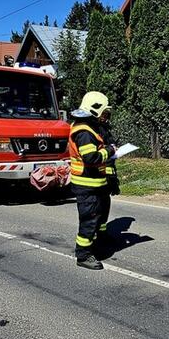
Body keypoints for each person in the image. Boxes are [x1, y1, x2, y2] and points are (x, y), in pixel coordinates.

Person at [68, 91, 117, 270]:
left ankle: (94, 245)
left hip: (95, 184)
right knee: (89, 219)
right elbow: (91, 158)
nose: (106, 117)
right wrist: (110, 151)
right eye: (104, 112)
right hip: (86, 186)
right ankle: (83, 255)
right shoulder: (84, 132)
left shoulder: (89, 128)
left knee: (98, 216)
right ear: (95, 110)